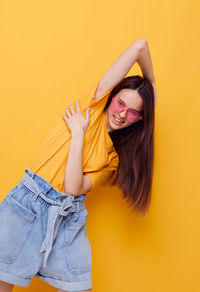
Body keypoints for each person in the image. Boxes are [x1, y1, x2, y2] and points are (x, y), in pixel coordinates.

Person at [0, 38, 157, 292]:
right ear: (110, 97)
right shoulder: (91, 108)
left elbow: (73, 188)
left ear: (139, 119)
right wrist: (152, 85)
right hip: (27, 205)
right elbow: (140, 46)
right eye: (120, 103)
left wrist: (77, 135)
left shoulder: (112, 159)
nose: (122, 114)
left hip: (68, 218)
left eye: (133, 112)